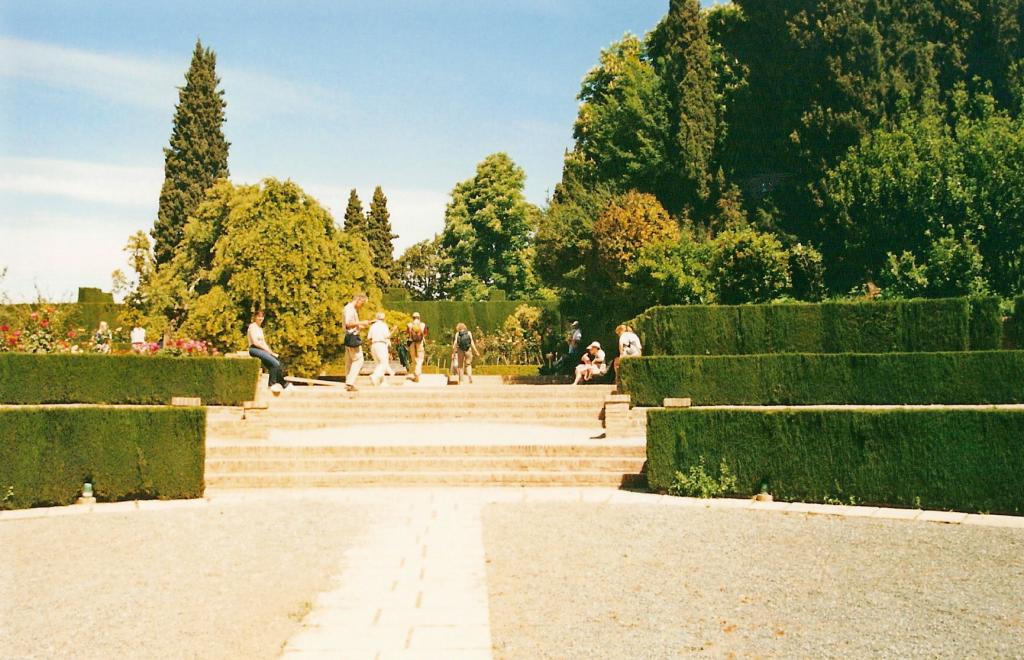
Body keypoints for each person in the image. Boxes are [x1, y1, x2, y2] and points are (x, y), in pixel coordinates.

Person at [247, 310, 290, 394]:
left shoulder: (260, 329)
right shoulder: (252, 327)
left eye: (262, 316)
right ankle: (272, 385)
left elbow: (263, 343)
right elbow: (255, 342)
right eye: (259, 316)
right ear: (255, 317)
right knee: (275, 363)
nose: (260, 318)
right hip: (254, 349)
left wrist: (271, 352)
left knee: (276, 364)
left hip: (261, 349)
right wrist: (267, 350)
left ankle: (284, 384)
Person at [343, 293, 370, 392]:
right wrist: (361, 323)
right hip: (352, 336)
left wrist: (360, 326)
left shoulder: (349, 308)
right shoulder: (350, 309)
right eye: (362, 303)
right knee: (358, 360)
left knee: (349, 361)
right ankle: (350, 382)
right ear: (358, 300)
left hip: (349, 336)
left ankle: (348, 382)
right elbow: (348, 324)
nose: (361, 306)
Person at [367, 312, 392, 387]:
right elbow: (387, 336)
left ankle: (382, 382)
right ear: (383, 318)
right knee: (384, 364)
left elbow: (369, 338)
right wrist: (393, 330)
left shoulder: (373, 326)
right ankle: (374, 376)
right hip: (381, 344)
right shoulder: (384, 325)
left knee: (379, 364)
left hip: (374, 345)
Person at [406, 312, 428, 382]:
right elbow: (425, 334)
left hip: (412, 343)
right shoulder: (423, 324)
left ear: (412, 318)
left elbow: (407, 334)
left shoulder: (409, 325)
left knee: (414, 360)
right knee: (420, 359)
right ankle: (417, 372)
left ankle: (416, 377)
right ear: (419, 317)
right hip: (420, 343)